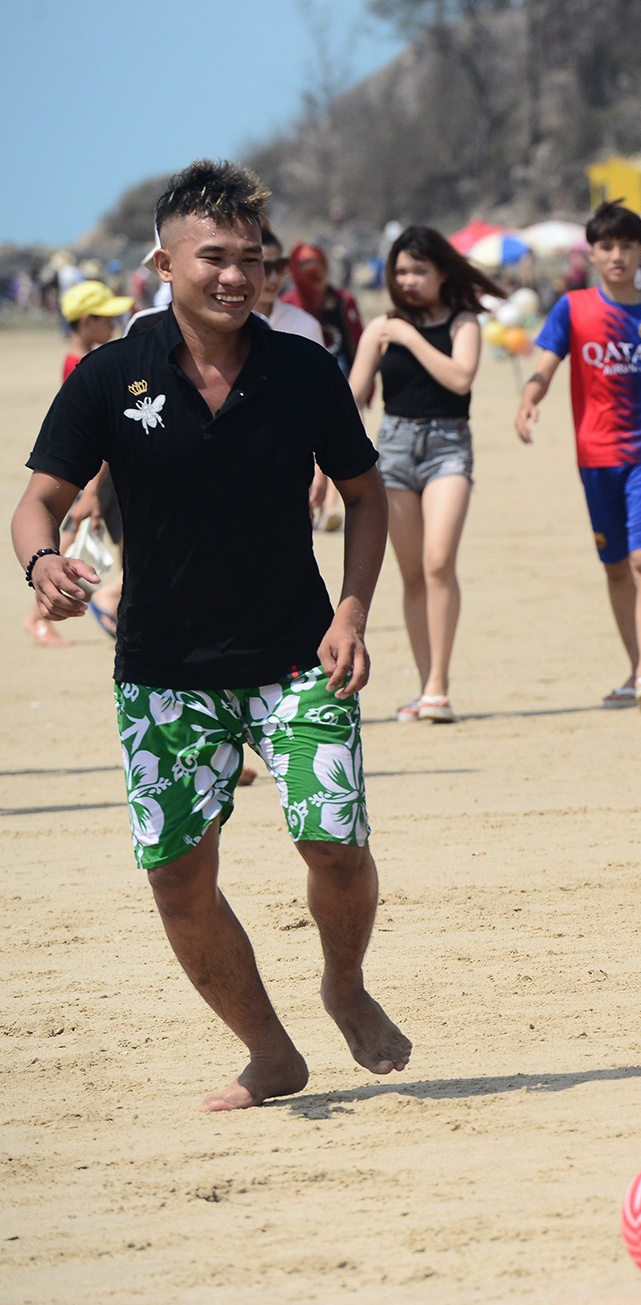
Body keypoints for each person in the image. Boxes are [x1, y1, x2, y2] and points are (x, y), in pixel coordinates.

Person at [9, 159, 406, 1111]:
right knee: (179, 878)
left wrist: (352, 610)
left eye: (252, 260)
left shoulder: (302, 369)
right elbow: (38, 501)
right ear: (165, 262)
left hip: (298, 656)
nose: (236, 276)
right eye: (214, 257)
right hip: (162, 671)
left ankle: (343, 984)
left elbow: (364, 493)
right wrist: (40, 565)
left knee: (336, 843)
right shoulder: (113, 375)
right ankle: (271, 1053)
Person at [516, 201, 641, 711]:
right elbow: (546, 364)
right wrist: (529, 397)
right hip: (594, 458)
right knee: (615, 565)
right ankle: (635, 670)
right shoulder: (572, 308)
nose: (617, 256)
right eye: (607, 246)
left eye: (627, 246)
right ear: (592, 252)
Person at [348, 226, 500, 725]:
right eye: (401, 271)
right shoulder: (380, 327)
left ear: (442, 272)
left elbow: (460, 378)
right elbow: (350, 397)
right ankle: (425, 685)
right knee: (412, 574)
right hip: (392, 448)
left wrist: (411, 337)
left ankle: (440, 686)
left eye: (419, 270)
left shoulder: (463, 322)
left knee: (439, 563)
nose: (408, 280)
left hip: (448, 447)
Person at [23, 281, 135, 648]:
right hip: (94, 474)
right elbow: (94, 431)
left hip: (97, 474)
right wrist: (90, 490)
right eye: (108, 317)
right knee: (68, 541)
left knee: (84, 538)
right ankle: (38, 617)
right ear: (87, 322)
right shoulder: (83, 367)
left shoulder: (80, 361)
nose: (115, 323)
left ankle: (114, 604)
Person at [285, 242, 363, 372]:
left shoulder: (344, 300)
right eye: (306, 267)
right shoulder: (289, 305)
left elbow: (358, 340)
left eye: (318, 263)